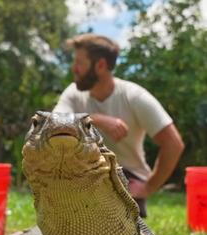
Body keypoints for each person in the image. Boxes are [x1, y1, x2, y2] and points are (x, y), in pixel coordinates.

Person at [53, 33, 185, 217]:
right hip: (83, 175)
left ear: (100, 65)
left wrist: (148, 187)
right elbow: (53, 123)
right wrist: (97, 119)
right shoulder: (73, 93)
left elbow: (173, 143)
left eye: (79, 63)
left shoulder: (134, 97)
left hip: (126, 179)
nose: (74, 68)